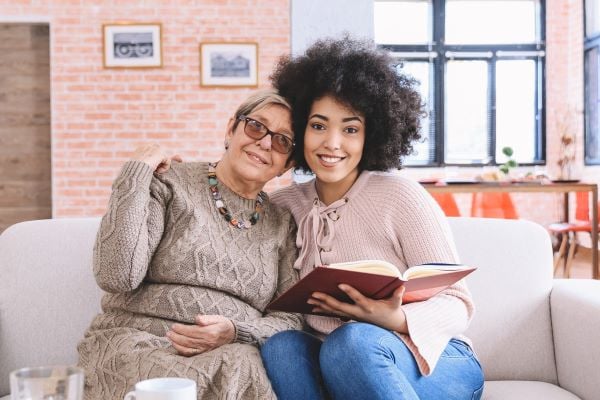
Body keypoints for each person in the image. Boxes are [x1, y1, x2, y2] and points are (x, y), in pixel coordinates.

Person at [260, 37, 484, 400]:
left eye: (350, 129)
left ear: (371, 135)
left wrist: (393, 320)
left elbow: (458, 303)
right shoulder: (283, 205)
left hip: (433, 360)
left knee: (351, 341)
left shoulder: (400, 196)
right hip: (338, 360)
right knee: (283, 347)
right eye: (318, 125)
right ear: (299, 129)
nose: (331, 143)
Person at [77, 89, 303, 400]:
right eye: (256, 126)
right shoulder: (170, 181)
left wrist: (236, 331)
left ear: (286, 165)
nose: (265, 142)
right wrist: (136, 173)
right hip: (138, 342)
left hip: (229, 352)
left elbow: (289, 319)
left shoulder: (282, 223)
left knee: (244, 364)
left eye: (281, 141)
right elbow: (117, 276)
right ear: (230, 129)